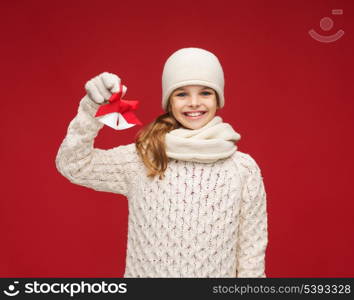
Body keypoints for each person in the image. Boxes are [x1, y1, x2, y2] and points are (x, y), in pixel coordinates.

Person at [55, 47, 268, 278]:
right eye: (182, 94)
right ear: (169, 101)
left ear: (218, 98)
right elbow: (74, 164)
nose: (194, 102)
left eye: (205, 92)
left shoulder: (243, 169)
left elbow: (251, 256)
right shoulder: (143, 158)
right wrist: (92, 108)